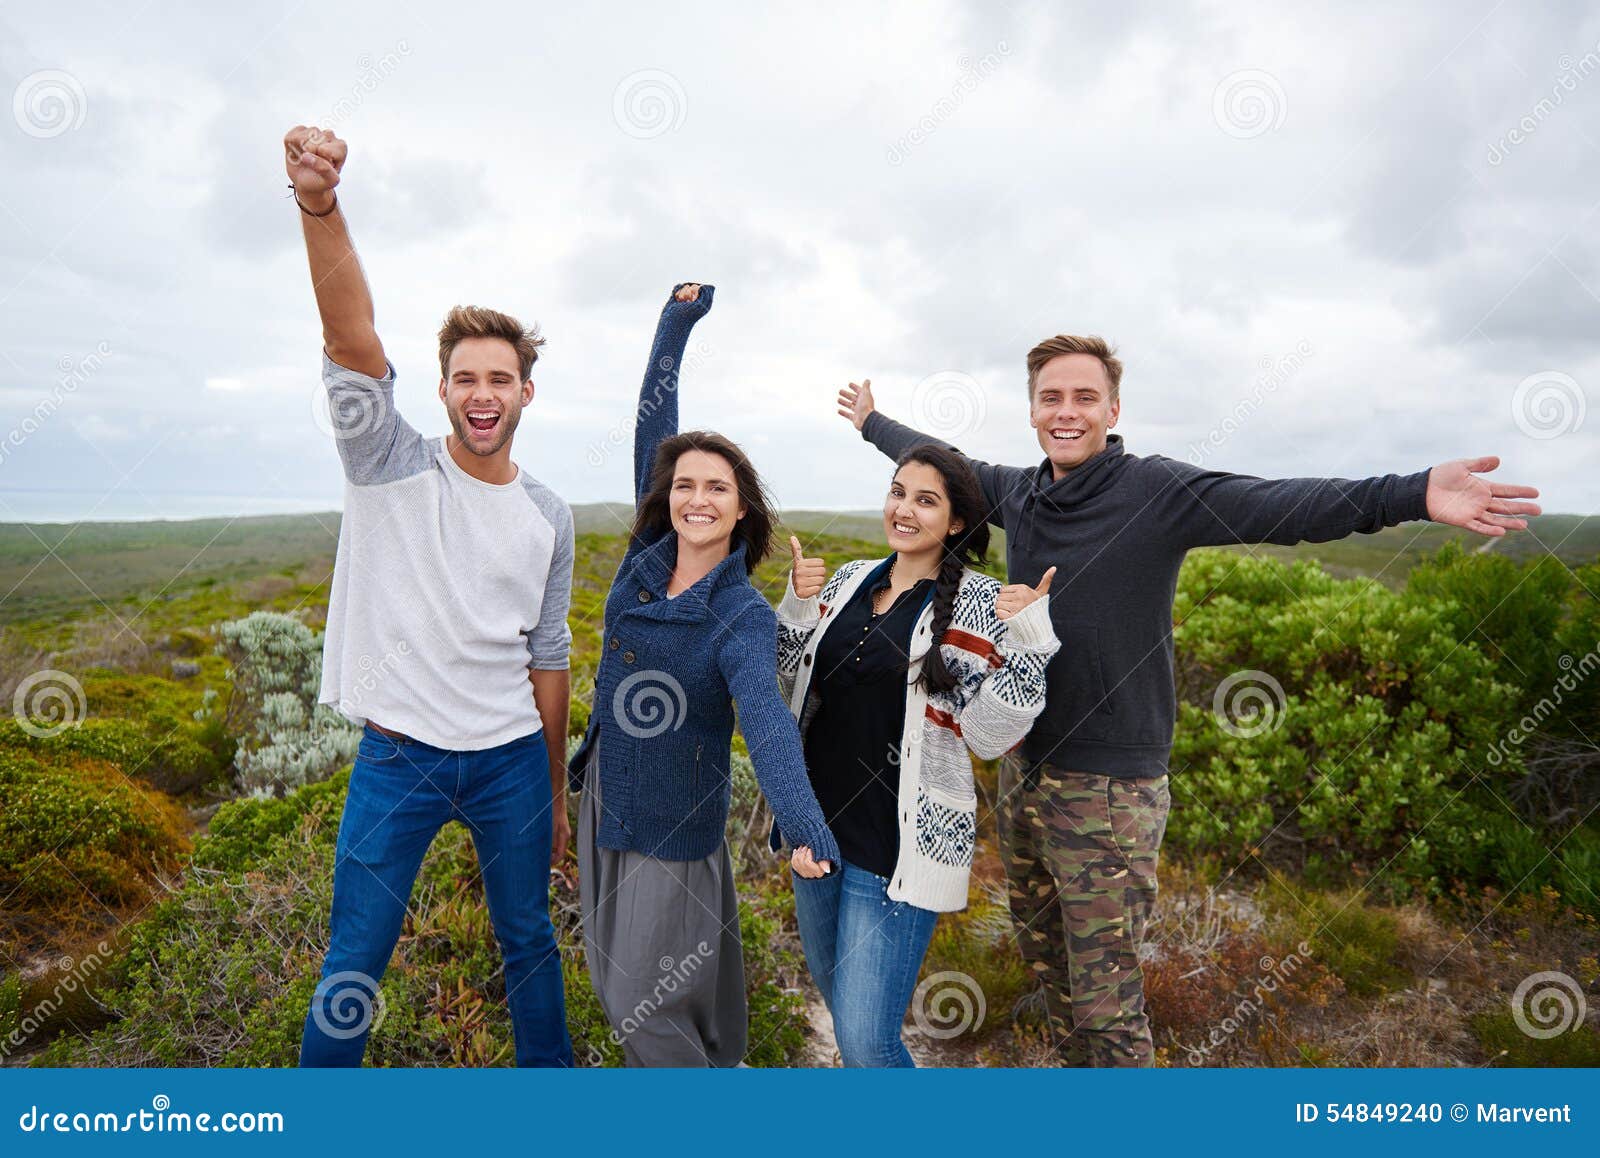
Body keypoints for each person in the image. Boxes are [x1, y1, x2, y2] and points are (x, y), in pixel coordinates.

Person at [838, 336, 1541, 1067]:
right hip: (1027, 768)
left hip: (1110, 790)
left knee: (1109, 1009)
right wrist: (873, 423)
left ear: (1113, 408)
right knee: (1048, 973)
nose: (1067, 412)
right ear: (1032, 410)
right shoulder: (1021, 493)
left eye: (1085, 397)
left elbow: (1281, 505)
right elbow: (943, 463)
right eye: (1051, 397)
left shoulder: (1156, 492)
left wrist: (1415, 491)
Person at [286, 125, 573, 1067]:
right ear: (443, 390)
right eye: (465, 379)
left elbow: (549, 655)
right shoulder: (386, 461)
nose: (482, 393)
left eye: (501, 379)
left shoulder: (548, 515)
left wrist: (554, 790)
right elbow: (348, 336)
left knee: (529, 945)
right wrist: (320, 207)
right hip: (397, 759)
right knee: (354, 962)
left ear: (527, 392)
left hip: (510, 763)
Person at [569, 282, 839, 1067]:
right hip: (603, 805)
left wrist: (798, 821)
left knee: (638, 1008)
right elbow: (654, 429)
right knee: (623, 984)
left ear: (742, 511)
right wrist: (673, 325)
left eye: (716, 486)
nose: (696, 496)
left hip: (672, 828)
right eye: (684, 483)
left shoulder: (741, 616)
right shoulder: (641, 566)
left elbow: (765, 717)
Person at [774, 442, 1060, 1066]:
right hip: (815, 838)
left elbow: (988, 737)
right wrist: (797, 606)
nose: (904, 509)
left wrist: (1031, 643)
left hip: (898, 850)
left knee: (865, 1042)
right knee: (850, 1026)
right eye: (898, 491)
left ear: (956, 522)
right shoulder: (850, 579)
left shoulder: (980, 606)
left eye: (926, 500)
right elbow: (786, 681)